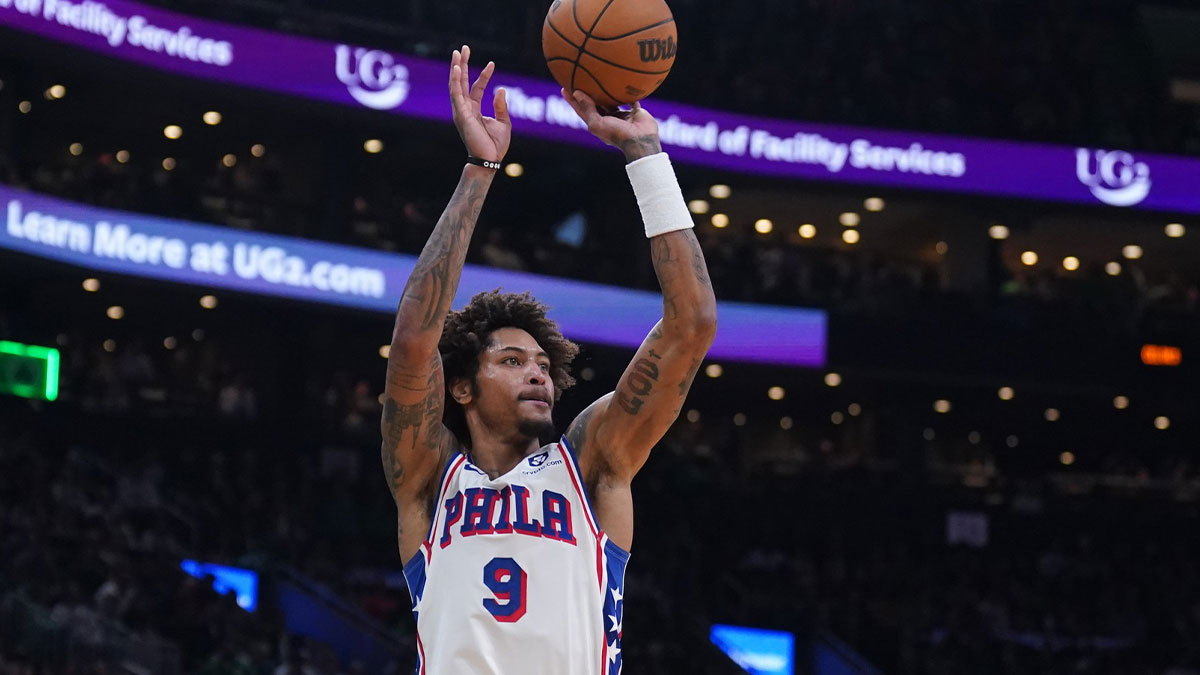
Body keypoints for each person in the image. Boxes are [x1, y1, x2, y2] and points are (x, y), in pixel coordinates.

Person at [381, 45, 717, 674]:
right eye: (511, 360)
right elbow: (412, 346)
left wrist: (646, 156)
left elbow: (692, 324)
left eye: (541, 363)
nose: (537, 372)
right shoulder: (428, 479)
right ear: (461, 389)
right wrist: (480, 168)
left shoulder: (593, 464)